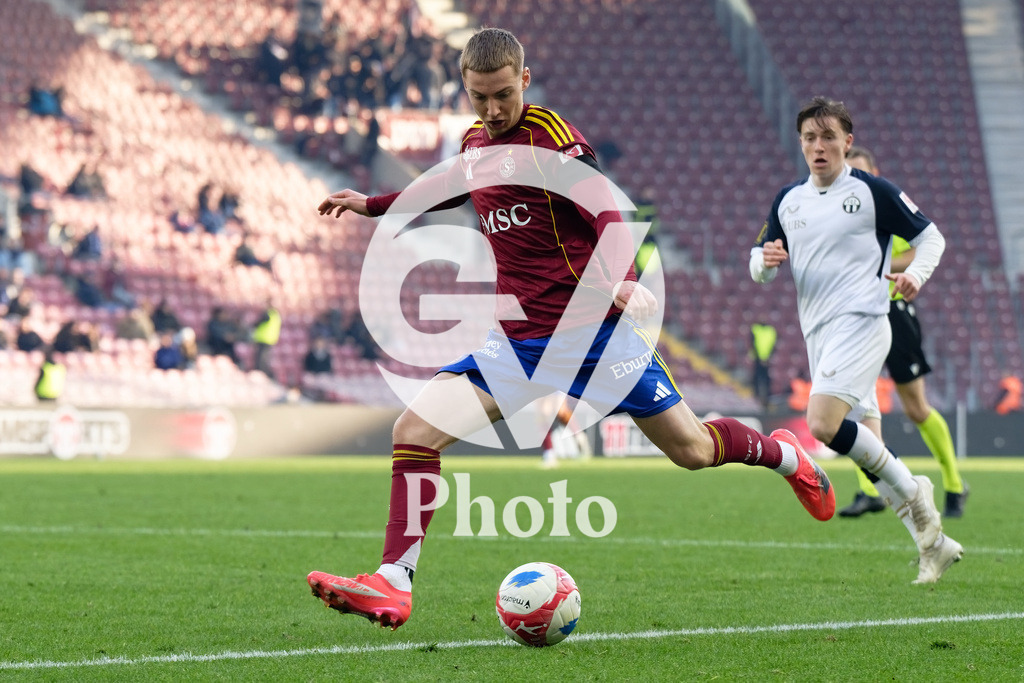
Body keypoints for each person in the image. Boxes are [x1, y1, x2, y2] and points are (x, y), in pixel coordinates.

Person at [306, 28, 836, 631]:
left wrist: (621, 280)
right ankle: (394, 582)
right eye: (479, 97)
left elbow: (609, 212)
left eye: (503, 94)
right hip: (517, 340)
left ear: (524, 81)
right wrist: (373, 204)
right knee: (414, 431)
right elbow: (446, 187)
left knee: (692, 451)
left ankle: (784, 455)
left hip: (594, 336)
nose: (492, 109)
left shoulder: (554, 141)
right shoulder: (476, 141)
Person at [750, 96, 961, 584]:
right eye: (810, 138)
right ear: (800, 143)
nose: (818, 146)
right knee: (872, 454)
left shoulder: (872, 191)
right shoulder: (788, 200)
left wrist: (916, 276)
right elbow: (758, 262)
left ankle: (919, 494)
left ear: (847, 142)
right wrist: (765, 262)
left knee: (822, 423)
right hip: (820, 335)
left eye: (828, 137)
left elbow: (932, 237)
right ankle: (933, 544)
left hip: (864, 322)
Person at [840, 146, 968, 519]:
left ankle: (954, 483)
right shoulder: (839, 215)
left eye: (862, 172)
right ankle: (870, 490)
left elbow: (920, 248)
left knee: (916, 408)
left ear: (876, 173)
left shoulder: (889, 206)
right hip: (856, 316)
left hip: (894, 312)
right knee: (851, 402)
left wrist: (880, 265)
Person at [750, 322, 776, 410]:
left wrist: (768, 357)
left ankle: (766, 399)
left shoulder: (771, 330)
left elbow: (773, 344)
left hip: (767, 359)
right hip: (758, 359)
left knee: (766, 380)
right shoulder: (755, 329)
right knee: (757, 379)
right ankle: (757, 397)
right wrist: (760, 358)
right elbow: (752, 343)